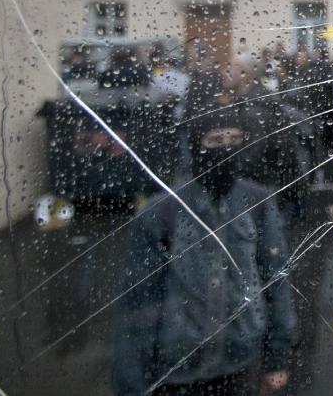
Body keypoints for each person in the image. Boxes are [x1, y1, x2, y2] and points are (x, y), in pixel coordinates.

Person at [112, 111, 296, 396]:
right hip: (177, 370)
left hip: (239, 363)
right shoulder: (162, 211)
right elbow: (138, 301)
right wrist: (132, 381)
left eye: (235, 138)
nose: (226, 148)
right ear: (197, 145)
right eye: (215, 139)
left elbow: (276, 280)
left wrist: (277, 357)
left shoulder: (257, 203)